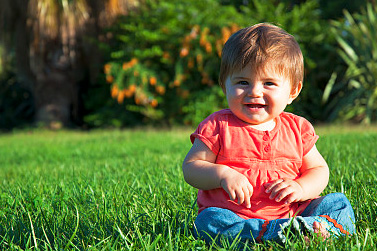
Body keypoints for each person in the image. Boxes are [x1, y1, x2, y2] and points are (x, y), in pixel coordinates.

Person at [182, 23, 355, 244]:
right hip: (236, 216)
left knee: (338, 202)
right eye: (242, 82)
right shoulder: (217, 126)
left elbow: (318, 170)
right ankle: (276, 233)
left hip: (293, 214)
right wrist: (223, 175)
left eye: (269, 83)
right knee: (209, 221)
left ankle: (309, 228)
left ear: (293, 91)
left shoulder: (297, 128)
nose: (254, 91)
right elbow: (191, 168)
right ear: (225, 86)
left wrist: (301, 187)